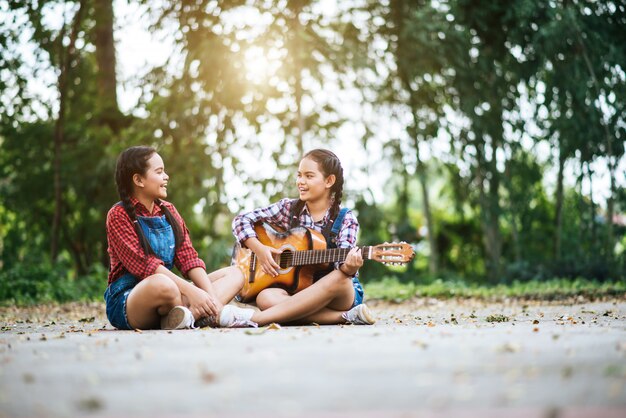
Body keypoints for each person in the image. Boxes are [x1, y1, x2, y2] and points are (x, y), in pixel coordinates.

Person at [223, 148, 375, 327]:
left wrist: (349, 267)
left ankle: (256, 319)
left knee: (340, 278)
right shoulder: (288, 208)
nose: (301, 182)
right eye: (299, 175)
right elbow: (241, 221)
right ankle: (345, 317)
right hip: (299, 290)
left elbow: (343, 268)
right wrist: (260, 249)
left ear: (329, 181)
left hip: (335, 293)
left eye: (309, 176)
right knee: (265, 298)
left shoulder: (345, 218)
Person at [104, 145, 249, 330]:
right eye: (159, 172)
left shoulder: (169, 211)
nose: (166, 176)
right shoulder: (118, 215)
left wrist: (210, 298)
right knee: (165, 285)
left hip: (173, 294)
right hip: (130, 299)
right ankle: (193, 313)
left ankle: (188, 316)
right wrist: (192, 292)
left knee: (235, 273)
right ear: (138, 180)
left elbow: (188, 259)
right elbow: (146, 266)